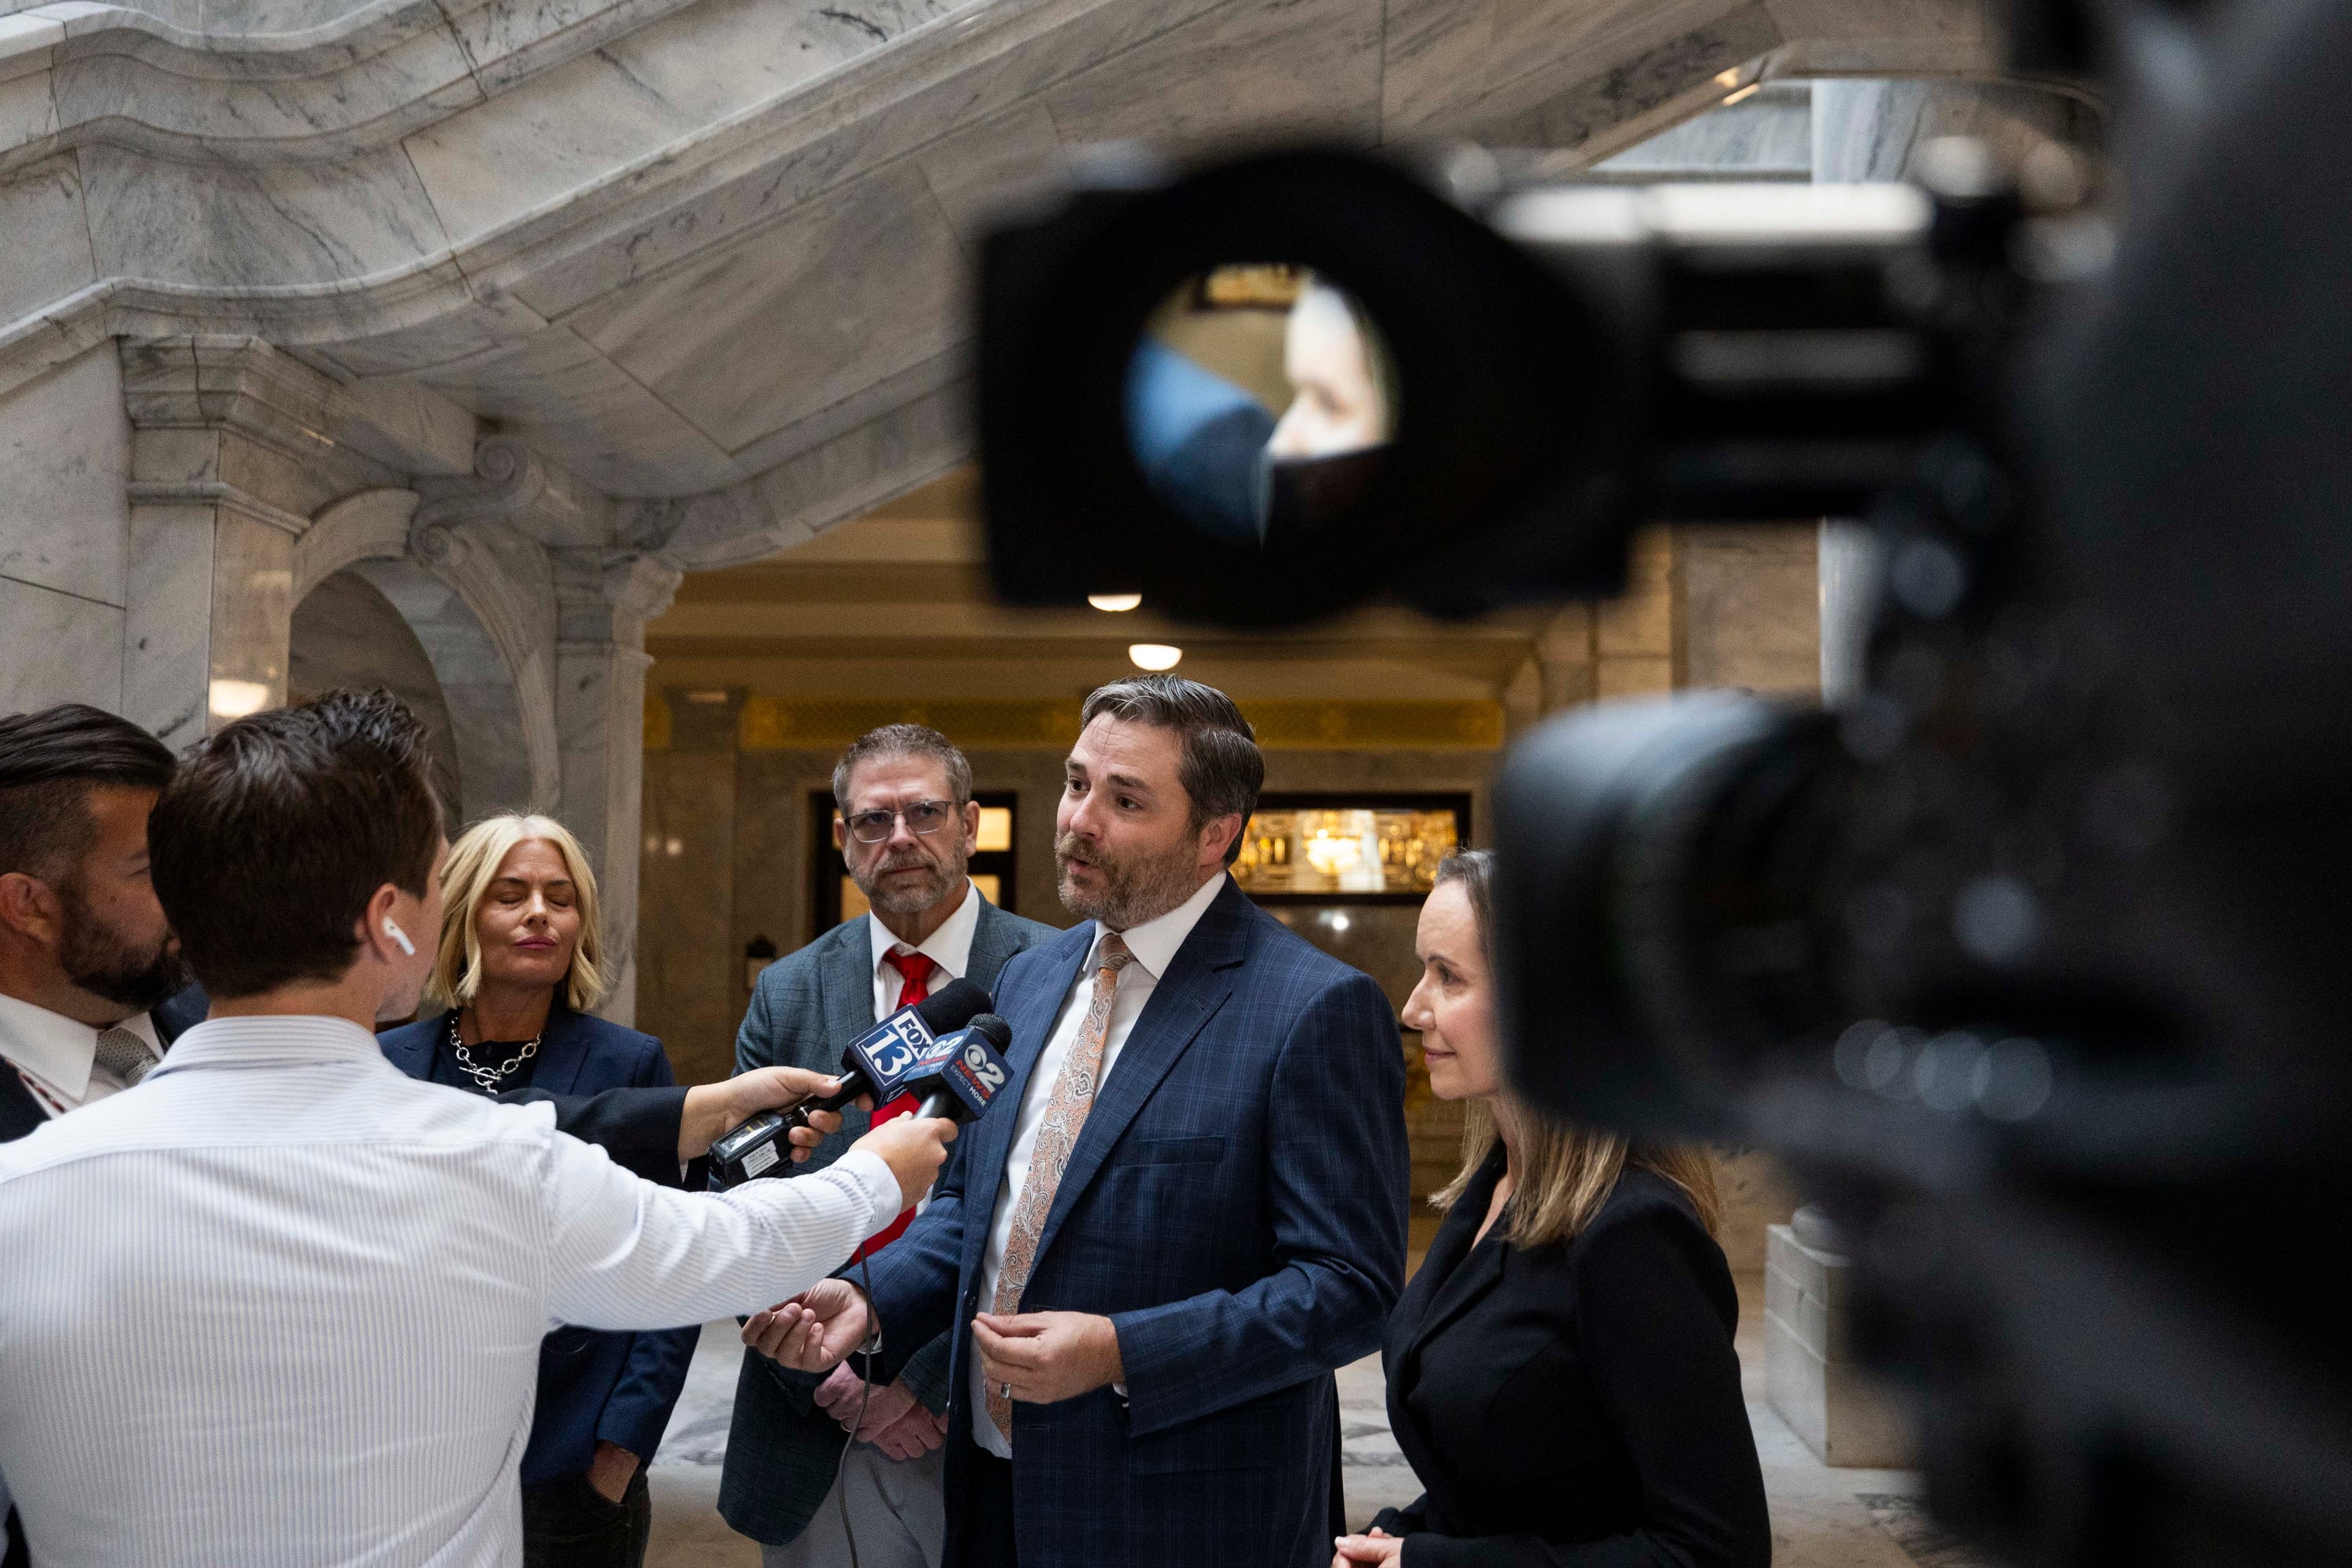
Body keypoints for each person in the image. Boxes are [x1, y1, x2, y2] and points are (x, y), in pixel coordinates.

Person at [0, 691, 961, 1567]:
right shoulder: (494, 1169)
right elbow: (729, 1248)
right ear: (391, 921)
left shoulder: (24, 1188)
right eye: (437, 875)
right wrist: (882, 1167)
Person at [754, 674, 1412, 1568]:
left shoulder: (1312, 1007)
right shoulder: (1028, 980)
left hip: (1182, 1515)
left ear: (1215, 834)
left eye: (1125, 800)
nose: (1078, 821)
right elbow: (972, 1206)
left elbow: (1348, 1289)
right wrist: (874, 1297)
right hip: (993, 1487)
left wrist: (1121, 1352)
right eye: (1075, 784)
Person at [1331, 850, 1769, 1568]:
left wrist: (1436, 1564)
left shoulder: (1634, 1232)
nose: (1412, 1009)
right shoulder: (1494, 1186)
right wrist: (1404, 1536)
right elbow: (1514, 1471)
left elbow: (1715, 1551)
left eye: (1448, 976)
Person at [723, 724, 1058, 1568]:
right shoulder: (789, 988)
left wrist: (918, 1378)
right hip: (810, 1412)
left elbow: (1052, 1206)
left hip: (990, 1401)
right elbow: (742, 1200)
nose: (900, 837)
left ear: (970, 825)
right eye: (874, 820)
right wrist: (833, 1376)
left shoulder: (1055, 972)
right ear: (843, 839)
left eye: (925, 813)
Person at [379, 812, 696, 1567]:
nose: (539, 915)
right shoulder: (389, 1061)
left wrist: (619, 1452)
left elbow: (672, 1262)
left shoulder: (629, 1064)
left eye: (560, 898)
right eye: (511, 895)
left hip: (571, 1460)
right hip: (413, 1455)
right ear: (463, 913)